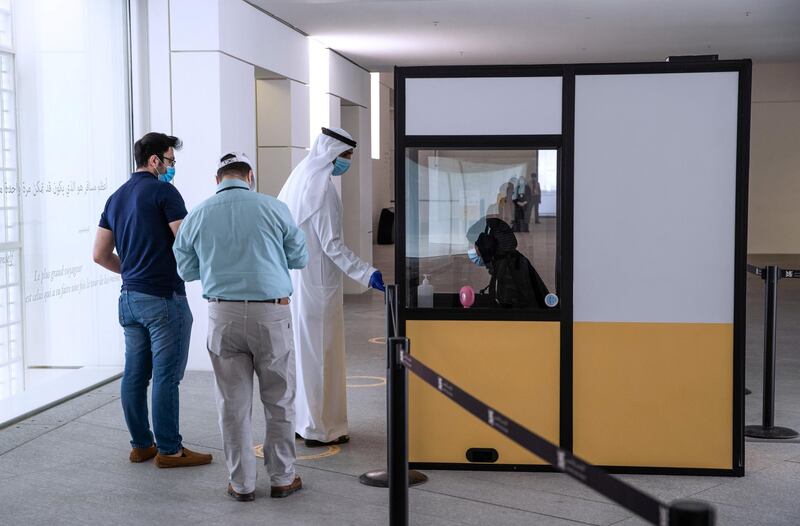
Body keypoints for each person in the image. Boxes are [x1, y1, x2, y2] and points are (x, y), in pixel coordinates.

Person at [173, 152, 308, 502]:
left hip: (223, 315)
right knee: (279, 399)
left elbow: (186, 269)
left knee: (232, 404)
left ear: (217, 179)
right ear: (250, 176)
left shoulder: (199, 213)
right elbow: (299, 257)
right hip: (271, 314)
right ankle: (282, 478)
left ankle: (241, 484)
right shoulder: (273, 207)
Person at [92, 132, 212, 468]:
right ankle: (170, 451)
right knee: (166, 376)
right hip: (163, 298)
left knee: (134, 374)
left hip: (129, 298)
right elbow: (186, 242)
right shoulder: (164, 191)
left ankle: (142, 445)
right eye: (171, 160)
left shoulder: (116, 198)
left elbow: (100, 255)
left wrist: (132, 272)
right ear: (155, 160)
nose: (173, 167)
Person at [278, 127, 385, 447]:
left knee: (303, 355)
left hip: (296, 281)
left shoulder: (299, 177)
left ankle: (304, 421)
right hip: (318, 284)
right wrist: (367, 274)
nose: (347, 163)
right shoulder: (322, 189)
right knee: (322, 355)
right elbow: (333, 246)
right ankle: (321, 429)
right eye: (347, 156)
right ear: (333, 155)